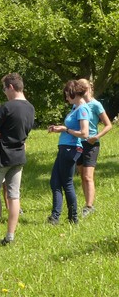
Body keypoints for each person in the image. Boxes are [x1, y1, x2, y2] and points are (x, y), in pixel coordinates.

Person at [0, 73, 34, 245]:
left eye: (4, 89)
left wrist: (1, 133)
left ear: (11, 87)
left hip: (1, 156)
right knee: (13, 196)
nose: (4, 92)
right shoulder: (31, 108)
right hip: (18, 156)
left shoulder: (7, 107)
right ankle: (10, 235)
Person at [47, 80, 90, 225]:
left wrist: (65, 129)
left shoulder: (82, 109)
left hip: (71, 149)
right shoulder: (74, 107)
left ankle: (73, 217)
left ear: (73, 92)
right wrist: (60, 128)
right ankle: (55, 216)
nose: (66, 98)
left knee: (67, 183)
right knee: (55, 182)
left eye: (67, 94)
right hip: (65, 147)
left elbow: (84, 133)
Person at [76, 78, 112, 217]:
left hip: (91, 144)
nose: (80, 87)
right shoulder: (77, 104)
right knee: (82, 175)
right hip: (78, 143)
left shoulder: (96, 105)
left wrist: (96, 137)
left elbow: (108, 124)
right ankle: (87, 203)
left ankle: (89, 206)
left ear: (89, 87)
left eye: (83, 85)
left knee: (88, 176)